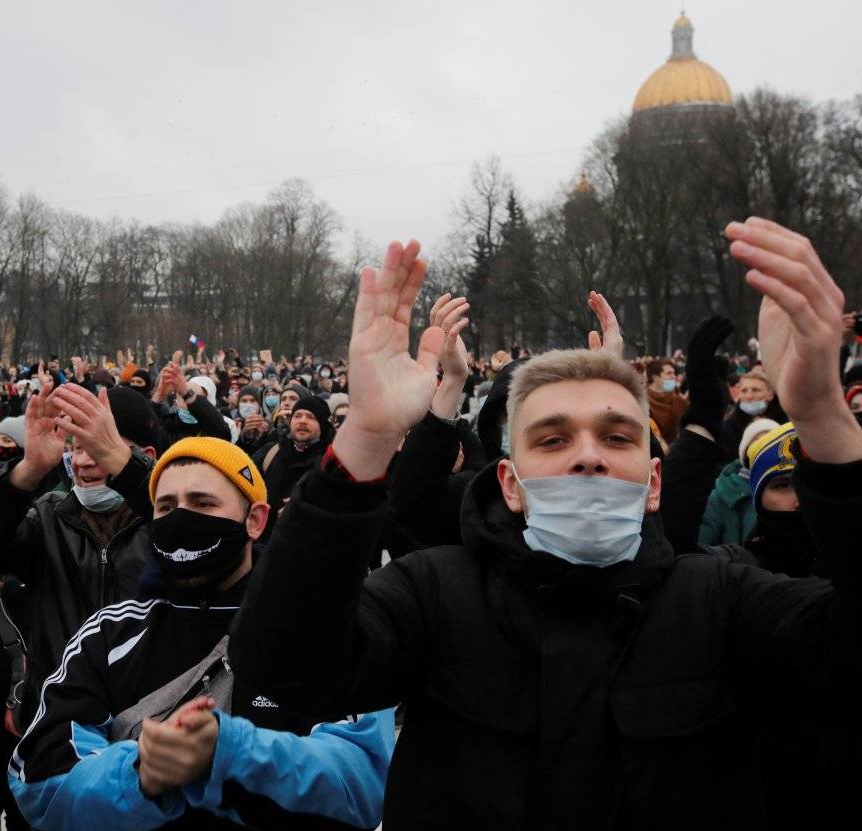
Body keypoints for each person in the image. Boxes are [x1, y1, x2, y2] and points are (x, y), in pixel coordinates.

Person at [230, 221, 862, 828]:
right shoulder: (434, 594)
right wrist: (368, 433)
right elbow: (284, 670)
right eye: (553, 438)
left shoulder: (725, 600)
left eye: (616, 436)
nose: (587, 453)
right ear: (511, 484)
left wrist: (823, 417)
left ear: (653, 484)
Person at [8, 437, 393, 830]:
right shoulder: (108, 633)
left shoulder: (319, 630)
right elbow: (43, 780)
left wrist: (230, 753)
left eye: (203, 503)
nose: (181, 519)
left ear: (255, 520)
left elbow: (360, 781)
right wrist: (140, 775)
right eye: (166, 506)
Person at [0, 381, 162, 731]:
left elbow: (199, 546)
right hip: (60, 726)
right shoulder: (48, 518)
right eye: (75, 447)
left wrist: (135, 478)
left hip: (149, 725)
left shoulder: (163, 520)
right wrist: (28, 471)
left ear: (144, 457)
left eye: (97, 447)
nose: (82, 462)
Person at [251, 395, 334, 540]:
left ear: (322, 424)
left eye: (310, 417)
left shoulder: (334, 462)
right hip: (263, 545)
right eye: (297, 416)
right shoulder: (272, 452)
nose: (302, 421)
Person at [698, 418, 779, 546]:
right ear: (746, 453)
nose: (764, 451)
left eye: (771, 444)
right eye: (757, 445)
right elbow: (703, 548)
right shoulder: (722, 494)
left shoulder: (799, 489)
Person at [645, 357, 688, 443]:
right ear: (655, 377)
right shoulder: (640, 401)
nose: (673, 376)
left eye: (674, 373)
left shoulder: (680, 402)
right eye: (669, 373)